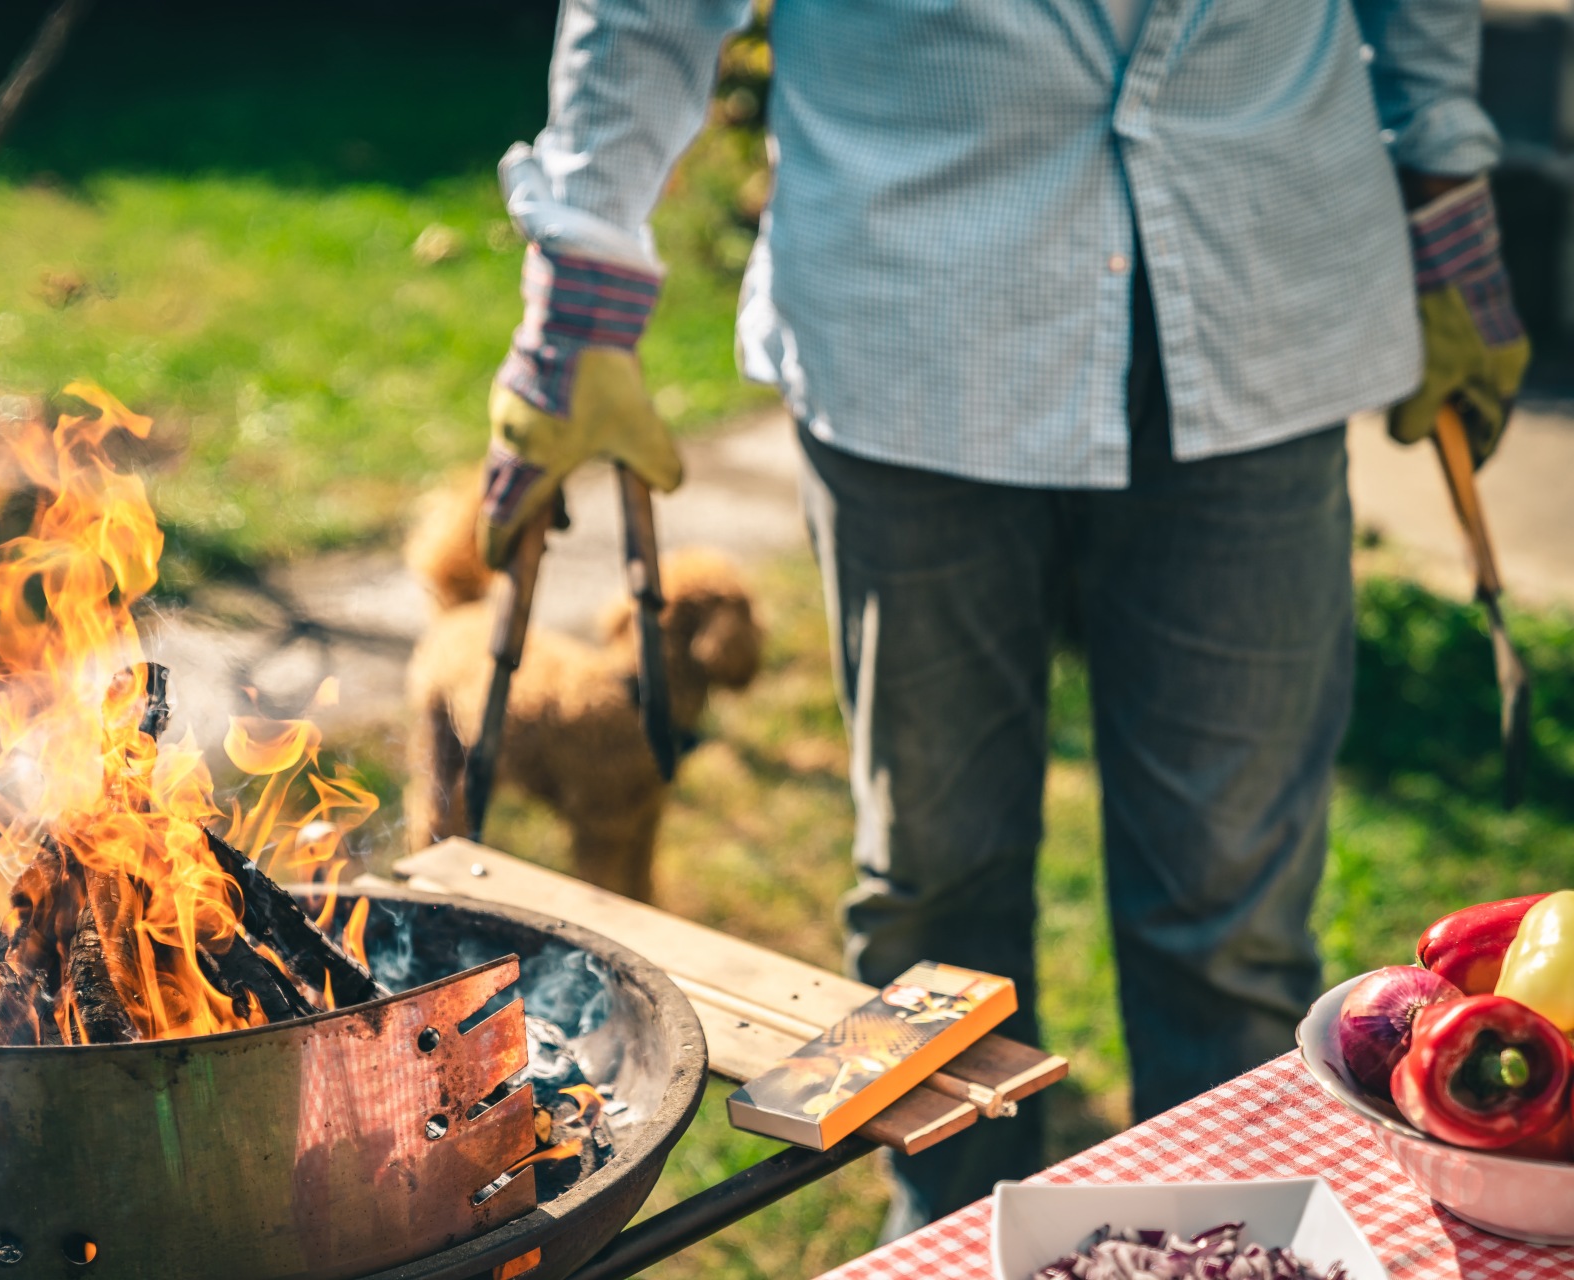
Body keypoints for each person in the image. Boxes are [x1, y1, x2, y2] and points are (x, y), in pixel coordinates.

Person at [474, 0, 1530, 1235]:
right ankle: (952, 1229)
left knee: (1232, 918)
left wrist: (1445, 195)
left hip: (1266, 312)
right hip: (912, 331)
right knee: (936, 894)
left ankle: (1236, 1247)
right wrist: (580, 294)